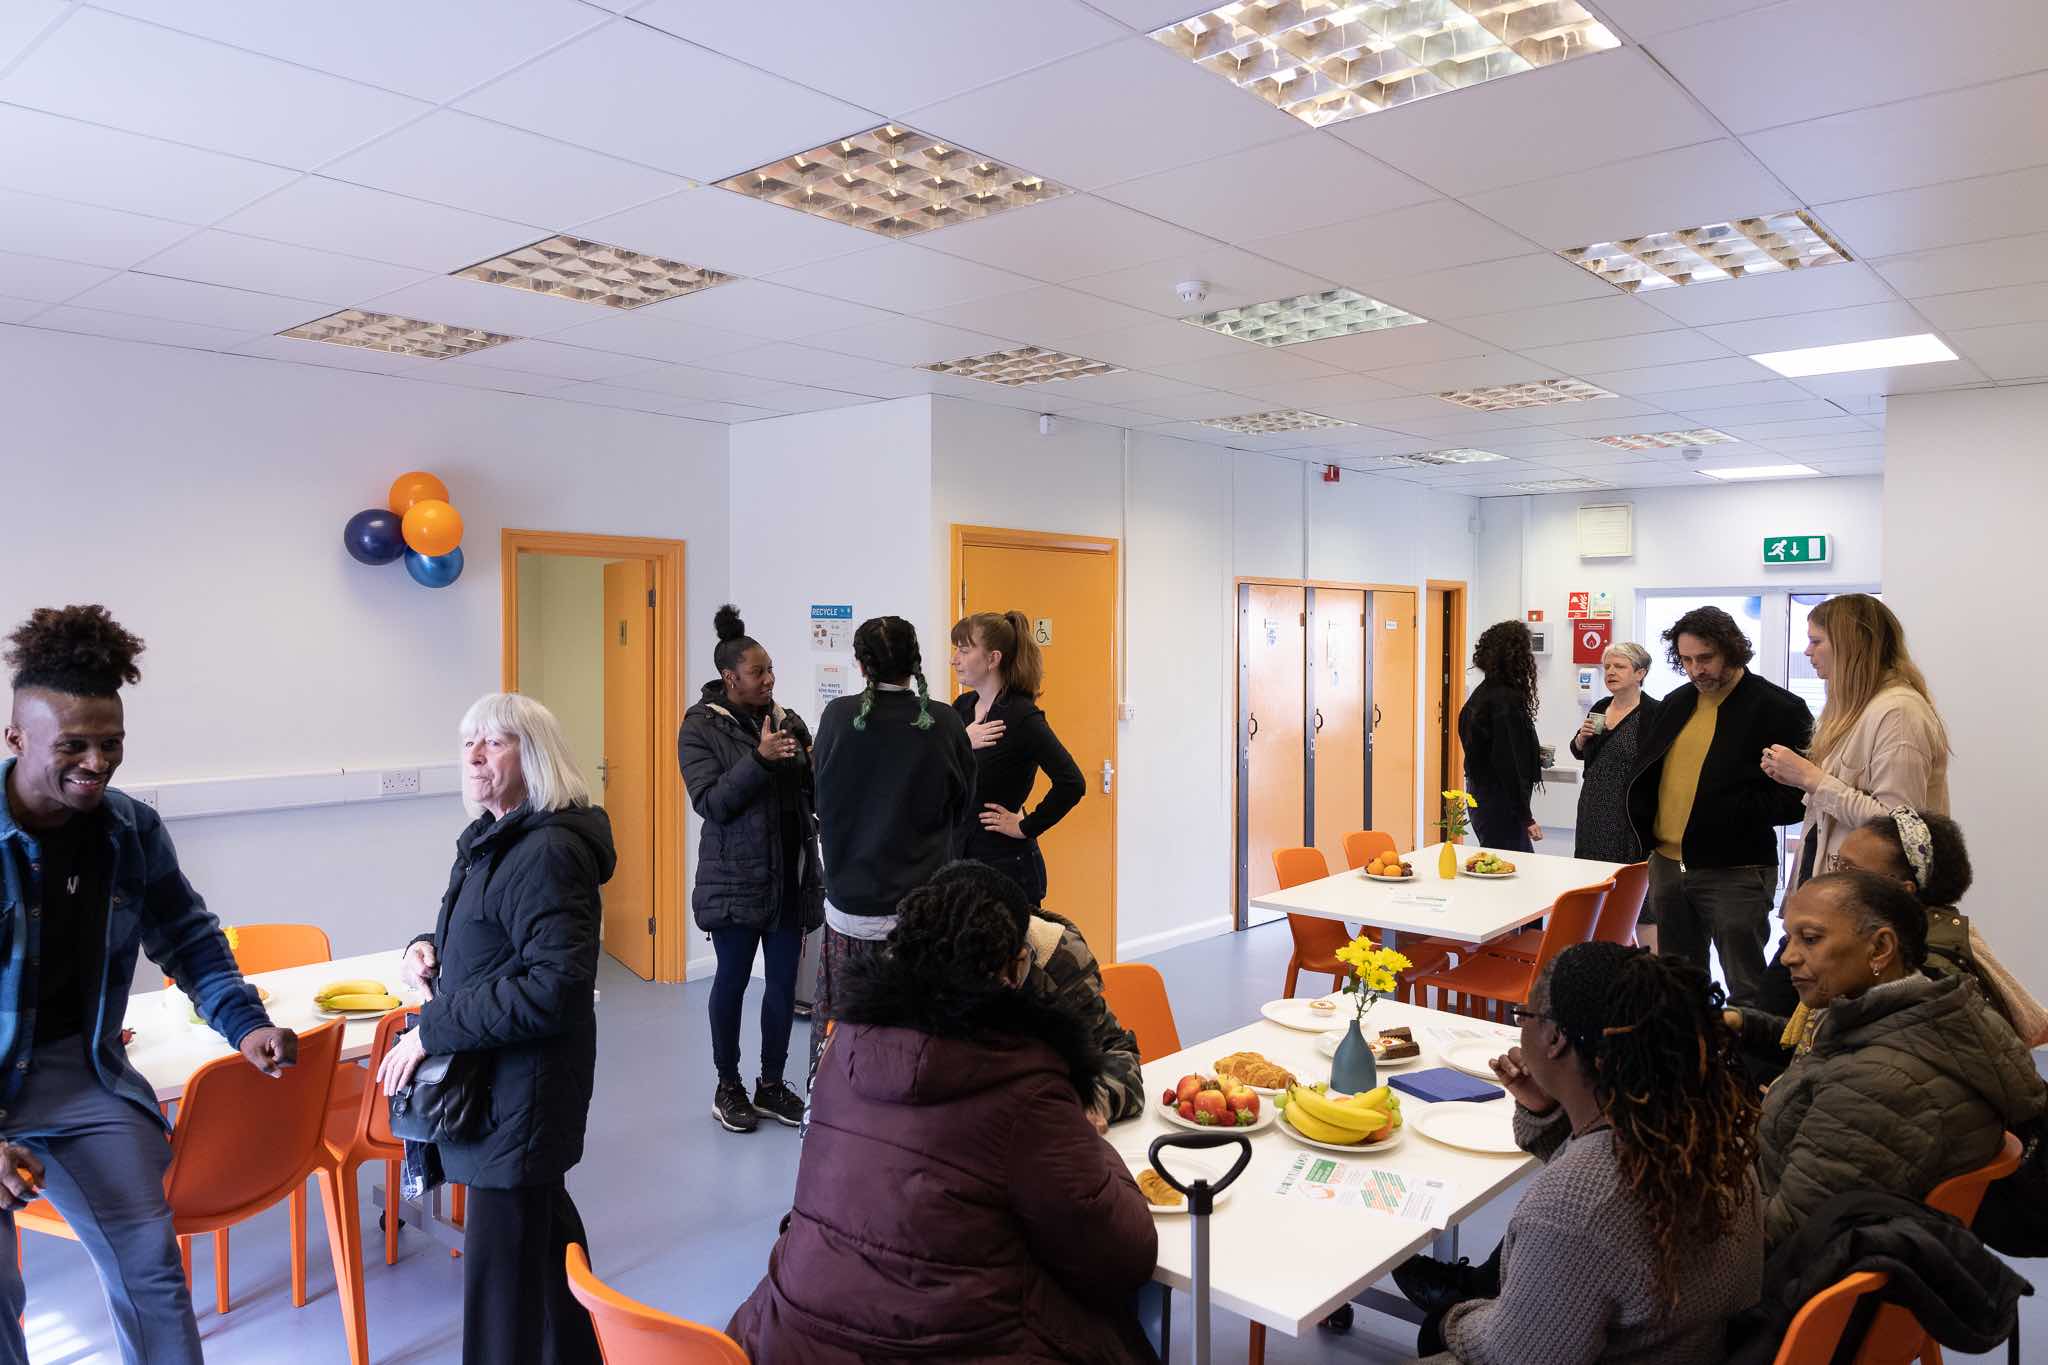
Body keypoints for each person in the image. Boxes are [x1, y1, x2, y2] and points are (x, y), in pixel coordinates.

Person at [0, 605, 298, 1365]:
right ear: (16, 738)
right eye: (73, 745)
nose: (96, 761)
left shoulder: (129, 830)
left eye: (111, 744)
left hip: (81, 1073)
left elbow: (190, 938)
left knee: (152, 1271)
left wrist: (245, 1023)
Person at [726, 868, 1159, 1363]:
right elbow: (1125, 1253)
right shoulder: (1025, 1085)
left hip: (791, 1336)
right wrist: (1088, 1137)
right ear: (1017, 967)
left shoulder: (842, 1044)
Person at [382, 692, 612, 1365]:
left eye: (495, 741)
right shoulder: (492, 838)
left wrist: (430, 1029)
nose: (476, 756)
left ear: (532, 755)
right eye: (468, 743)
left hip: (523, 1090)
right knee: (546, 1252)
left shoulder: (547, 853)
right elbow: (495, 942)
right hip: (504, 1085)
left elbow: (554, 989)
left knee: (499, 1284)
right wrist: (428, 948)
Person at [1411, 942, 1762, 1364]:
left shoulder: (1573, 1207)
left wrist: (1453, 1319)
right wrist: (1546, 1109)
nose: (1519, 1026)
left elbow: (1517, 1356)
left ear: (1556, 1037)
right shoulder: (1704, 1137)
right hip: (1689, 1348)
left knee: (1436, 1333)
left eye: (1525, 1015)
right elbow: (1598, 1163)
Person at [1731, 871, 2047, 1249]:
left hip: (1788, 1283)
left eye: (1810, 939)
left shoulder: (1877, 1086)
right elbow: (1826, 1050)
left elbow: (1782, 1234)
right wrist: (1743, 1024)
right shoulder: (1934, 1013)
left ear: (1880, 948)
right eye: (1789, 938)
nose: (1787, 957)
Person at [808, 616, 973, 1088]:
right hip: (923, 916)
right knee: (919, 1036)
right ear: (915, 661)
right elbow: (962, 807)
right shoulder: (943, 722)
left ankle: (832, 1129)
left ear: (860, 665)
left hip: (851, 914)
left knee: (845, 1037)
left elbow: (818, 797)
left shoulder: (838, 717)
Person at [679, 605, 823, 1134]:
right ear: (729, 677)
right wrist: (760, 760)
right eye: (758, 673)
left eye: (771, 671)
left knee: (783, 986)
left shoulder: (787, 720)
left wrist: (811, 764)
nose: (769, 680)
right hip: (735, 883)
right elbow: (712, 802)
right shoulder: (699, 728)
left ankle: (770, 1084)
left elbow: (812, 795)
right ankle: (728, 1086)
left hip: (791, 880)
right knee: (733, 982)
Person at [1626, 607, 1811, 1006]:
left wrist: (1732, 811)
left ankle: (1750, 1066)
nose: (1696, 669)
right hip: (1667, 865)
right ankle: (1691, 1061)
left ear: (1731, 650)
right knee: (1678, 984)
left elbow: (1799, 797)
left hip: (1736, 869)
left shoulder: (1778, 708)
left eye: (1705, 658)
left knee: (1746, 987)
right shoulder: (1675, 704)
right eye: (1687, 660)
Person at [926, 859, 1145, 1130]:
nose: (1004, 984)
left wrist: (1091, 1102)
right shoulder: (917, 959)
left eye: (1008, 968)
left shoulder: (1056, 955)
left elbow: (1117, 1053)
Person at [1760, 594, 1948, 892]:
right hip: (1844, 891)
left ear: (1850, 644)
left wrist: (1810, 777)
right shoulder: (1858, 709)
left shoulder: (1898, 712)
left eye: (1816, 641)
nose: (1807, 652)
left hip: (1871, 896)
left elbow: (1898, 828)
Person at [949, 610, 1085, 903]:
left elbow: (1072, 782)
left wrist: (1026, 826)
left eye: (964, 650)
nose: (954, 659)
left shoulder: (1021, 716)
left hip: (1005, 869)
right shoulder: (961, 707)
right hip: (958, 862)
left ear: (992, 658)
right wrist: (962, 742)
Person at [1568, 641, 1659, 878]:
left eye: (1619, 666)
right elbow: (1580, 751)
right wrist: (1580, 739)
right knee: (1590, 874)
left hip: (1629, 810)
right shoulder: (1600, 706)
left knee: (1626, 878)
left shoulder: (1654, 714)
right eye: (1607, 666)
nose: (1610, 672)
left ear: (1641, 673)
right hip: (1593, 806)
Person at [1459, 621, 1542, 852]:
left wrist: (1532, 753)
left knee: (1500, 862)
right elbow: (1508, 763)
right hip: (1499, 801)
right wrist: (1526, 816)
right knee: (1512, 869)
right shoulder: (1504, 700)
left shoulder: (1482, 695)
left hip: (1481, 796)